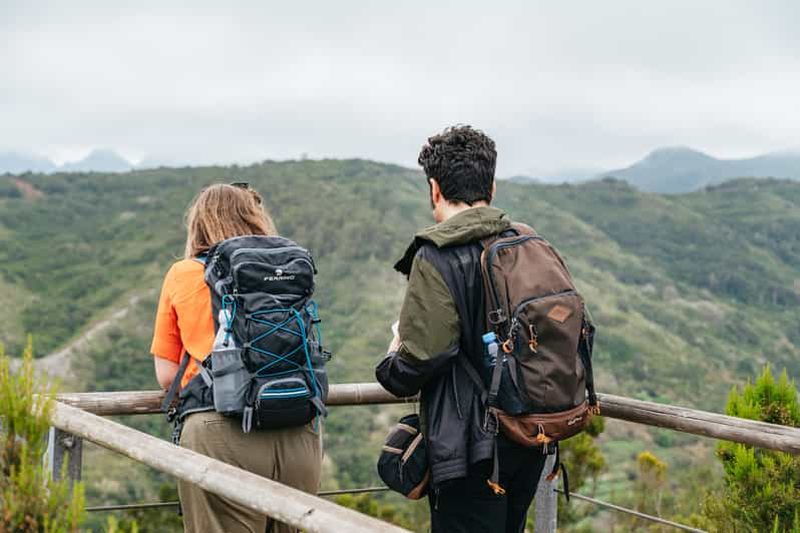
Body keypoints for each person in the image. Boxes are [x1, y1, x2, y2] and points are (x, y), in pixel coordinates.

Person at [376, 126, 547, 532]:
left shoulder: (436, 255)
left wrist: (391, 357)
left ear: (434, 189)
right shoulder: (523, 242)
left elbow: (422, 358)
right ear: (491, 184)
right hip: (529, 435)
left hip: (473, 450)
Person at [150, 183, 322, 533]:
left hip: (219, 428)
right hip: (297, 427)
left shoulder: (184, 274)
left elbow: (167, 376)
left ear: (198, 224)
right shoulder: (284, 269)